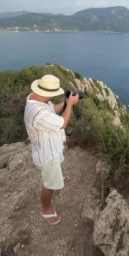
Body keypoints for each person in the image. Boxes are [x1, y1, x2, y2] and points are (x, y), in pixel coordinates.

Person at [24, 74, 79, 225]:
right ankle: (45, 209)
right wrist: (71, 105)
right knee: (49, 184)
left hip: (52, 147)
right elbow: (62, 123)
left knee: (56, 172)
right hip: (48, 155)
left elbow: (52, 110)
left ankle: (58, 176)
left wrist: (65, 102)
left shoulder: (35, 98)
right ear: (48, 93)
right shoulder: (38, 113)